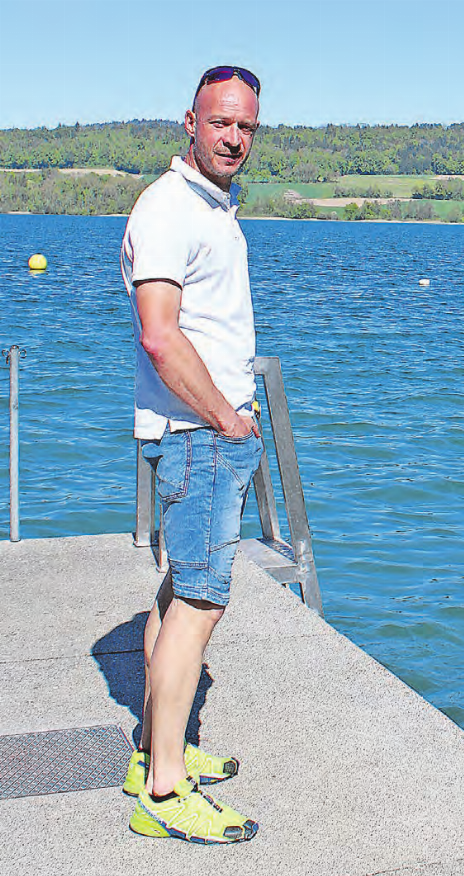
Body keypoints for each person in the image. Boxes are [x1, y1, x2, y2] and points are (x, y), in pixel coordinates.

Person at [119, 65, 264, 845]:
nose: (234, 138)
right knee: (203, 601)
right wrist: (228, 421)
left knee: (179, 593)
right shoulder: (169, 208)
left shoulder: (208, 206)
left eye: (246, 126)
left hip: (201, 433)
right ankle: (167, 793)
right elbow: (159, 334)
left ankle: (155, 753)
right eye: (221, 123)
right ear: (190, 122)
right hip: (198, 435)